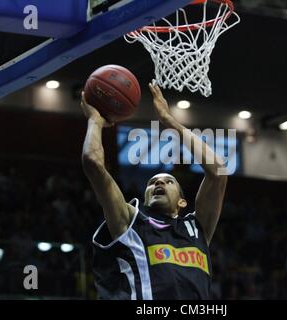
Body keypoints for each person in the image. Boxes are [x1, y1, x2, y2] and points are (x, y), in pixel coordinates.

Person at [80, 83, 228, 300]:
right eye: (152, 183)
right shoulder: (131, 221)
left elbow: (219, 172)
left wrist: (170, 121)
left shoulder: (197, 229)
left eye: (168, 181)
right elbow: (92, 162)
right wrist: (95, 120)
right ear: (146, 196)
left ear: (182, 202)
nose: (158, 183)